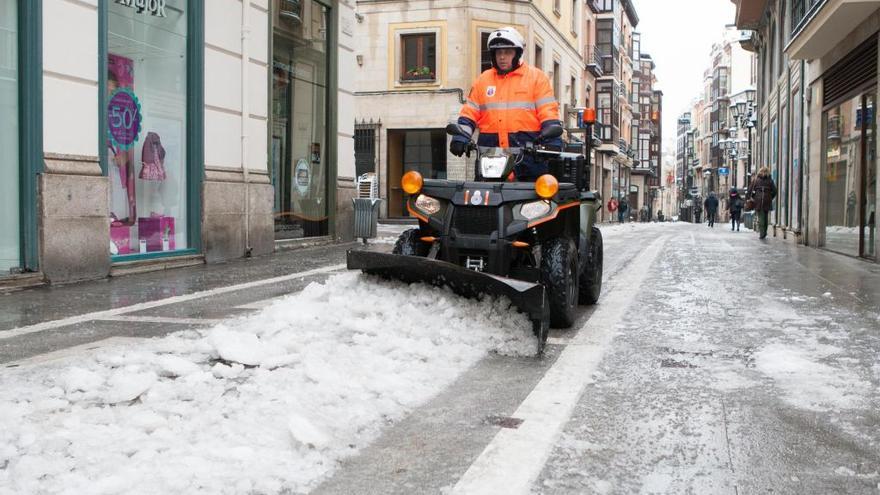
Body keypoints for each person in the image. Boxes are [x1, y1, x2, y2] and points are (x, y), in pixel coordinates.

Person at [451, 26, 562, 181]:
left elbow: (548, 113)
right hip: (489, 159)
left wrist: (552, 140)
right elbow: (469, 114)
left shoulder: (536, 78)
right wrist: (460, 138)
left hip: (528, 159)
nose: (502, 57)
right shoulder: (483, 80)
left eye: (507, 52)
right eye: (498, 52)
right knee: (480, 200)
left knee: (534, 203)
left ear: (517, 53)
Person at [748, 166, 778, 239]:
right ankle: (765, 231)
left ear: (760, 172)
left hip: (758, 200)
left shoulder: (756, 180)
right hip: (767, 199)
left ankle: (762, 233)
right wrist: (770, 197)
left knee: (761, 216)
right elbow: (775, 191)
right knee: (765, 215)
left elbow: (749, 190)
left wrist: (753, 197)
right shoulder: (770, 180)